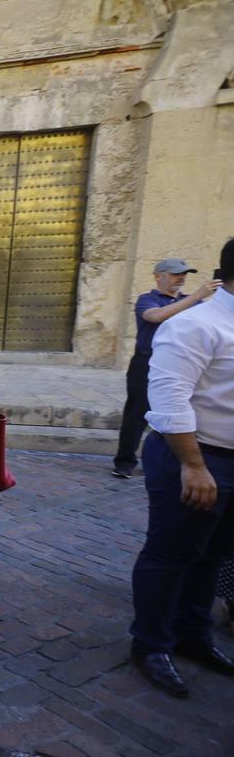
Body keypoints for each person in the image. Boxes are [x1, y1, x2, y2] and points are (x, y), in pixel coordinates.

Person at [128, 239, 234, 699]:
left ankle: (194, 635)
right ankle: (151, 643)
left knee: (211, 555)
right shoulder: (195, 324)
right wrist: (193, 465)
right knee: (170, 555)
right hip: (197, 456)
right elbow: (169, 400)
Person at [113, 259, 221, 479]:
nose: (180, 278)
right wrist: (196, 296)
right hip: (147, 361)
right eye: (175, 274)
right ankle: (124, 462)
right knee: (137, 413)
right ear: (158, 276)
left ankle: (172, 460)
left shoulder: (193, 303)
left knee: (177, 411)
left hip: (180, 363)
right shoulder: (148, 299)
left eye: (183, 274)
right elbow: (156, 316)